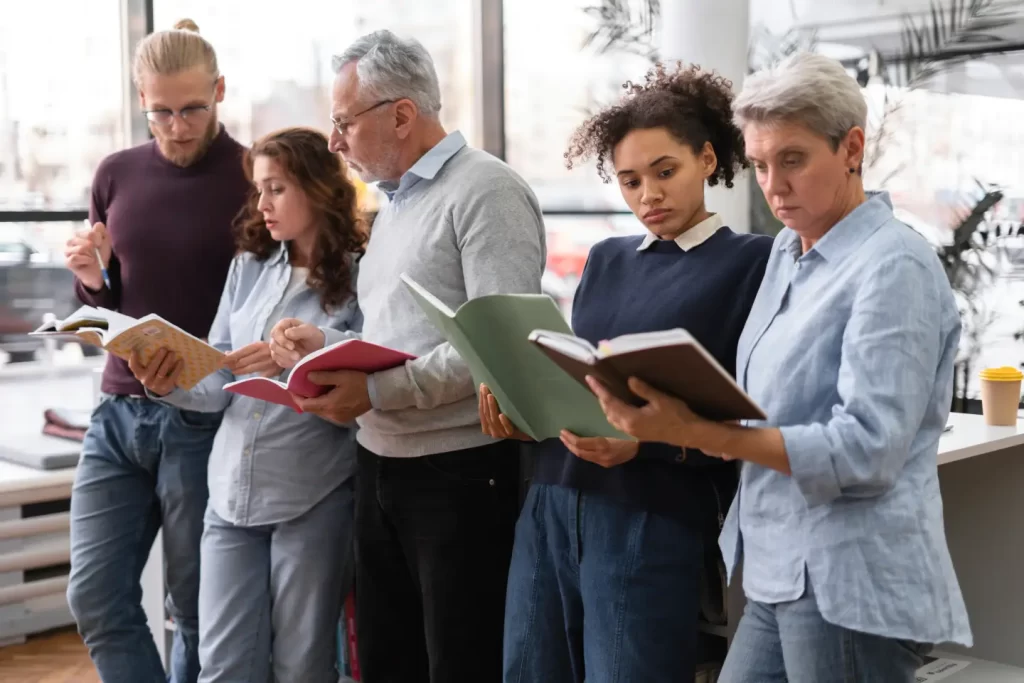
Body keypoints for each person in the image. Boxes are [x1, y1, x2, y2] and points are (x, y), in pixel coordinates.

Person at [586, 52, 972, 682]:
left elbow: (866, 451)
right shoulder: (787, 254)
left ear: (851, 148)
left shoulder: (893, 265)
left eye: (792, 159)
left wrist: (691, 431)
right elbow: (764, 401)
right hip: (776, 566)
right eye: (761, 164)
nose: (773, 184)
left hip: (849, 578)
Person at [267, 30, 546, 683]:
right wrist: (330, 349)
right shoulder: (392, 205)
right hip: (379, 465)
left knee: (459, 662)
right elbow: (399, 338)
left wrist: (376, 393)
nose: (334, 142)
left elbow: (500, 350)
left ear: (400, 114)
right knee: (388, 664)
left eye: (343, 123)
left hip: (460, 476)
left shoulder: (487, 190)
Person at [479, 63, 773, 682]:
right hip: (551, 498)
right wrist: (525, 411)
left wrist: (643, 444)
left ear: (708, 159)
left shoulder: (754, 262)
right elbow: (582, 383)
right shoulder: (607, 258)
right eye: (631, 180)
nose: (649, 196)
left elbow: (749, 413)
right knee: (527, 671)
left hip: (650, 509)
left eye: (665, 172)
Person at [128, 127, 364, 683]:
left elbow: (369, 387)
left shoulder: (363, 275)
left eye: (277, 188)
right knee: (223, 666)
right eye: (259, 189)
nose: (262, 205)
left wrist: (303, 359)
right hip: (230, 496)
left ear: (319, 187)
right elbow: (218, 380)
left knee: (302, 668)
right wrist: (164, 382)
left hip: (313, 496)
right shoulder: (249, 267)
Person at [62, 19, 250, 683]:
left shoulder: (254, 179)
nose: (176, 125)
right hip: (117, 414)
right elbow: (104, 301)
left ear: (220, 90)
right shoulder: (115, 174)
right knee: (93, 593)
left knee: (196, 610)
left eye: (193, 108)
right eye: (160, 111)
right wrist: (92, 279)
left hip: (202, 419)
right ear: (141, 100)